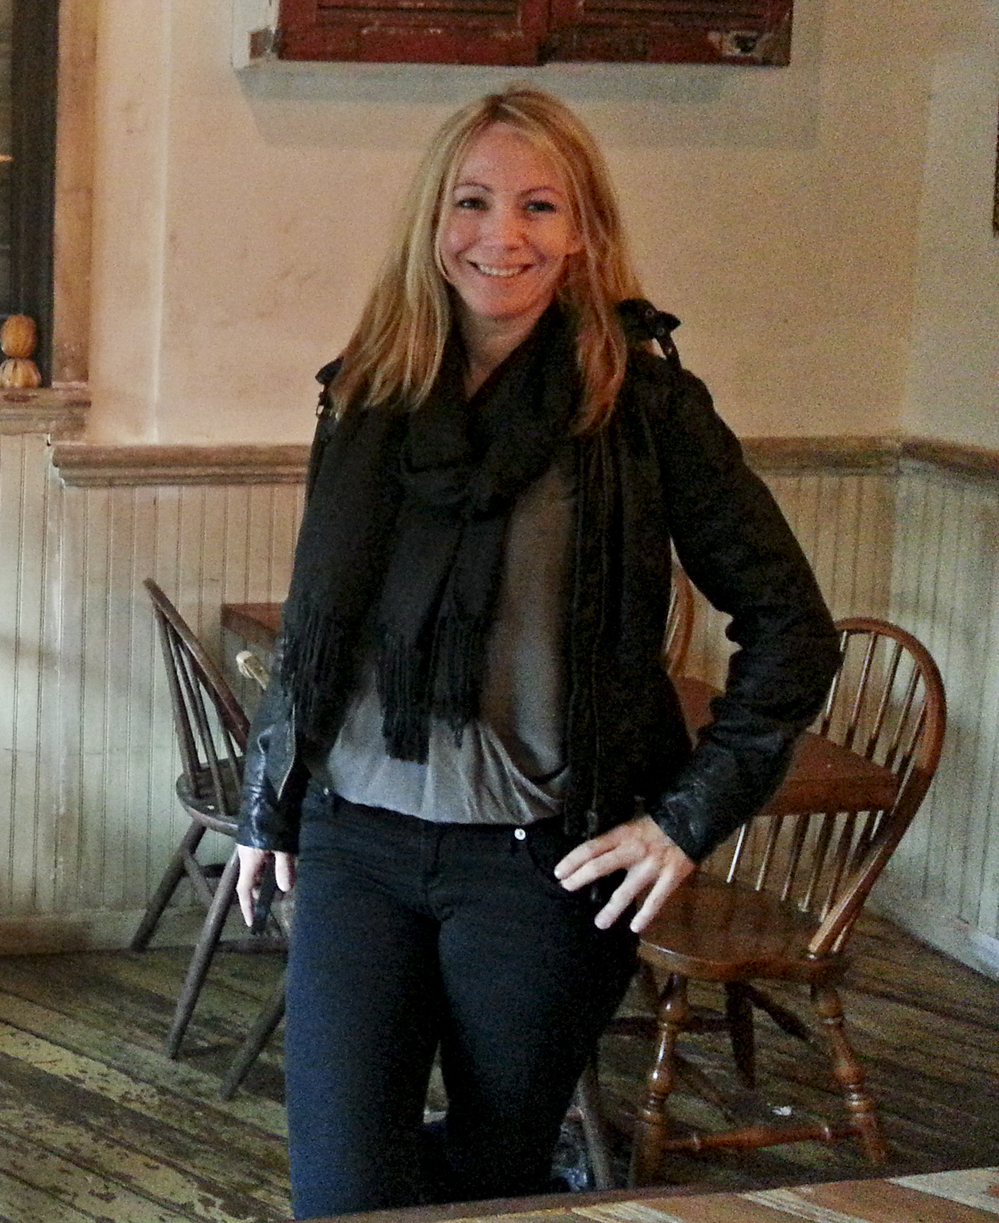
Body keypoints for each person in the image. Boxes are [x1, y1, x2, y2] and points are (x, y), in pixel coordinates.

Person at [235, 87, 841, 1220]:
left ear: (583, 229)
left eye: (539, 205)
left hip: (539, 865)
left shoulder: (642, 405)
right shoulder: (365, 391)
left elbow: (791, 627)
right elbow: (319, 620)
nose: (500, 235)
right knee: (341, 1186)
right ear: (433, 219)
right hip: (357, 840)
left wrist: (685, 819)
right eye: (472, 201)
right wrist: (270, 799)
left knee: (493, 1177)